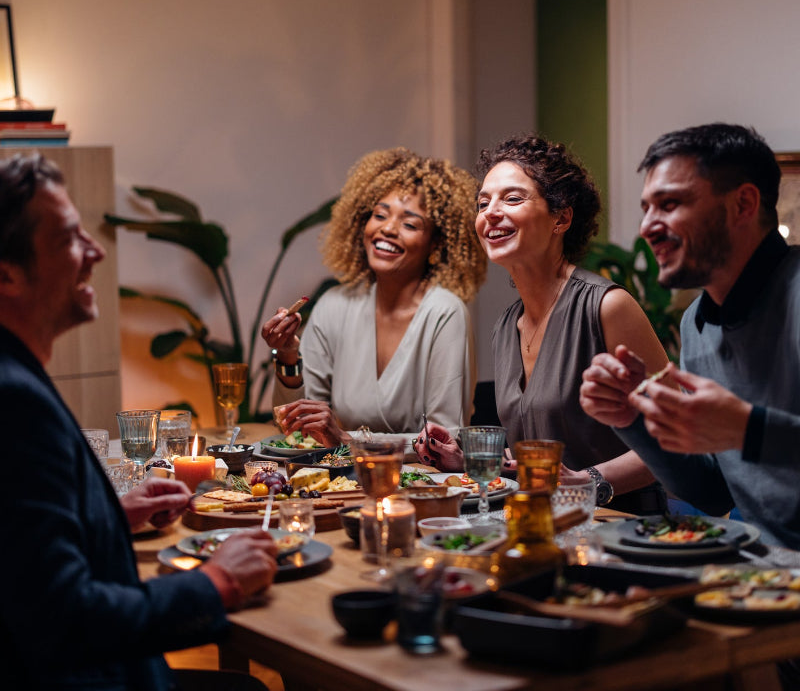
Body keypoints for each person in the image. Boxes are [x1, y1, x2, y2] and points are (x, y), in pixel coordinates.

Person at [0, 153, 278, 691]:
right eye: (67, 238)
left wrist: (107, 518)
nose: (95, 252)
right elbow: (62, 620)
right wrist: (216, 583)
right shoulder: (14, 401)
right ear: (7, 273)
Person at [419, 134, 670, 514]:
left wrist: (591, 482)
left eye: (513, 198)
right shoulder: (506, 327)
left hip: (623, 526)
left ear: (562, 218)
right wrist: (468, 461)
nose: (490, 212)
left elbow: (673, 435)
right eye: (483, 203)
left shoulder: (607, 306)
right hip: (542, 525)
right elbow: (539, 455)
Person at [580, 122, 800, 548]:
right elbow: (711, 493)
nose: (647, 226)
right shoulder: (696, 324)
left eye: (670, 203)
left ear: (743, 205)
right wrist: (632, 419)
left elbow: (749, 436)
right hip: (762, 578)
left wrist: (748, 430)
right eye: (646, 207)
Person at [261, 147, 486, 454]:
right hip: (343, 487)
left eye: (409, 224)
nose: (388, 229)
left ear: (435, 244)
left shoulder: (445, 314)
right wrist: (288, 358)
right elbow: (297, 426)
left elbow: (446, 440)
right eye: (379, 215)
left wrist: (349, 440)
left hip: (422, 489)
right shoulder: (334, 306)